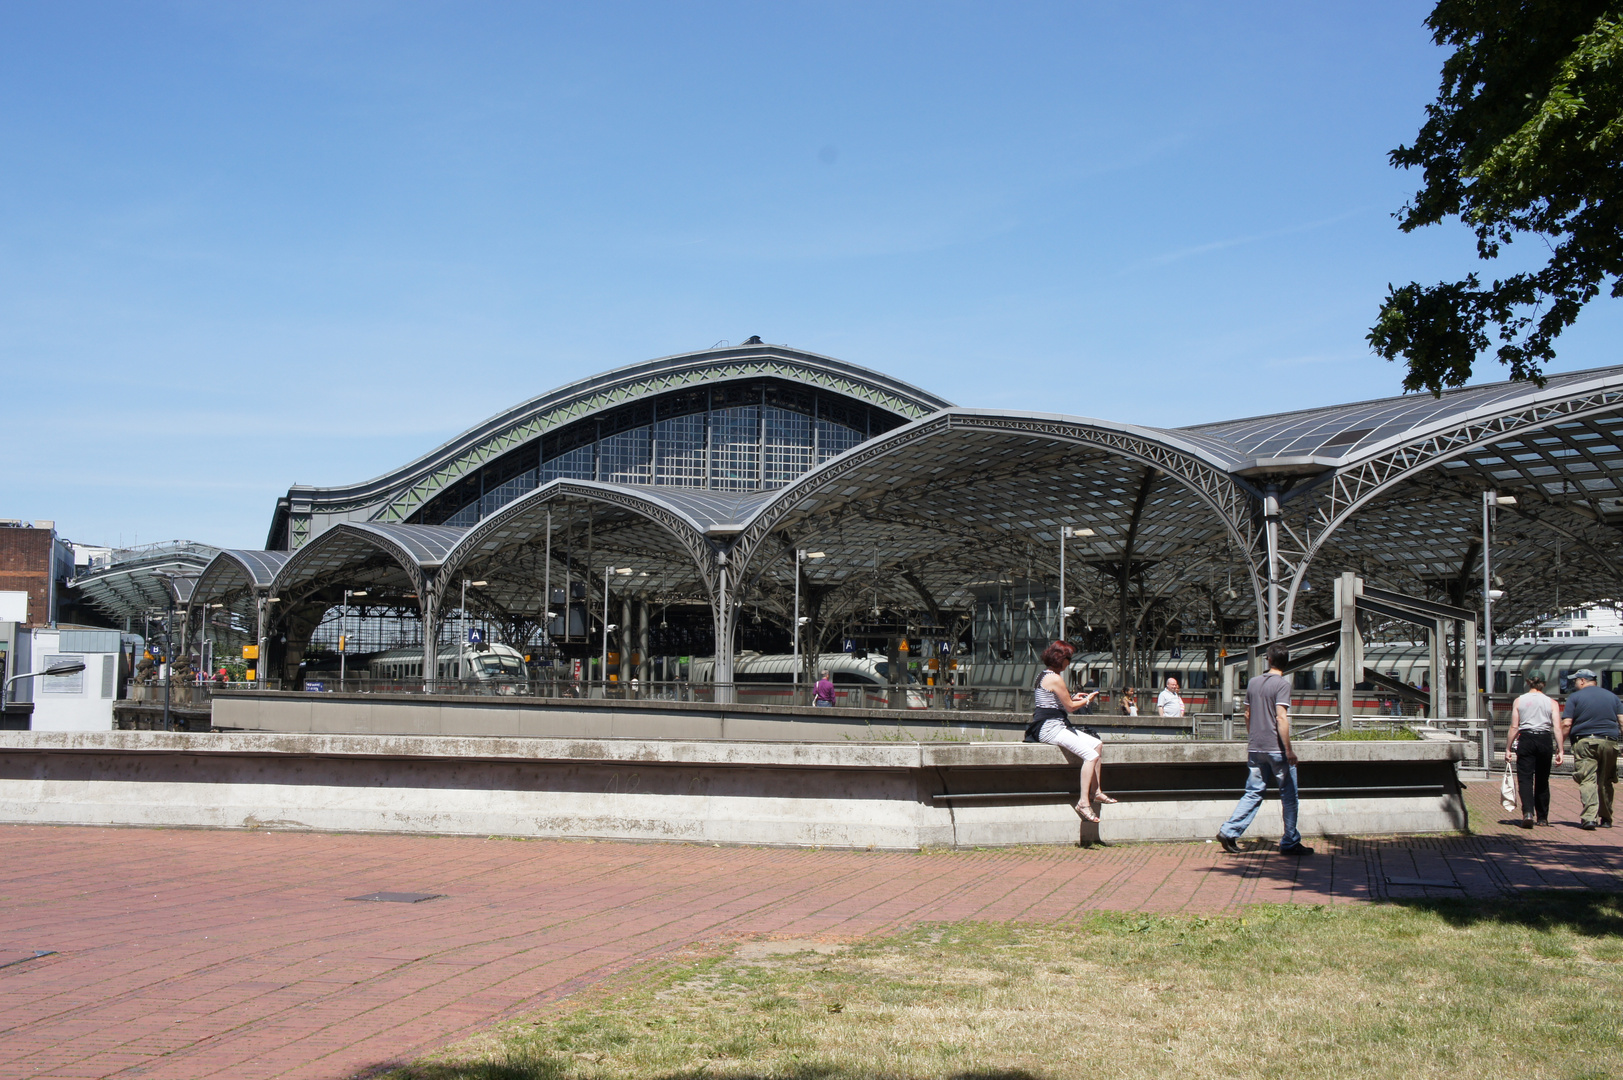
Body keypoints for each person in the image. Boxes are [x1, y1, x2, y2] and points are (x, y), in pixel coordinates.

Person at [1216, 643, 1314, 856]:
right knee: (1289, 795)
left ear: (1268, 660)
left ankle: (1229, 831)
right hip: (1276, 749)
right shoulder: (1282, 685)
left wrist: (1253, 738)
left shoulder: (1253, 683)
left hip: (1255, 748)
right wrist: (1289, 750)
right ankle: (1290, 841)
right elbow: (1281, 717)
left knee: (1252, 792)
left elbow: (1247, 715)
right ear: (1286, 663)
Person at [1027, 641, 1109, 822]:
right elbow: (1071, 707)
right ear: (1061, 659)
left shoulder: (1044, 675)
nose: (1069, 663)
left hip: (1052, 725)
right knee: (1090, 755)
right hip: (1051, 728)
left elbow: (1055, 702)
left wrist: (1073, 698)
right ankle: (1083, 802)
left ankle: (1096, 791)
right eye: (1069, 659)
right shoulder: (1055, 678)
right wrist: (1087, 700)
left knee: (1097, 744)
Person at [1559, 668, 1623, 829]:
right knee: (1606, 780)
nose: (1574, 684)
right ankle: (1606, 818)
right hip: (1609, 742)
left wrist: (1560, 745)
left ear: (1582, 681)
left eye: (1575, 681)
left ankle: (1589, 818)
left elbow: (1566, 723)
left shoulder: (1574, 697)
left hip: (1585, 742)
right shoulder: (1612, 697)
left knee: (1587, 779)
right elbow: (1622, 721)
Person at [1508, 669, 1561, 828]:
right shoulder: (1552, 702)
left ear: (1528, 682)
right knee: (1542, 779)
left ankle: (1528, 813)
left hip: (1526, 739)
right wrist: (1561, 749)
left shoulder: (1519, 701)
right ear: (1544, 684)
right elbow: (1557, 728)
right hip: (1544, 739)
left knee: (1525, 778)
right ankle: (1543, 817)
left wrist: (1508, 748)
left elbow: (1514, 727)